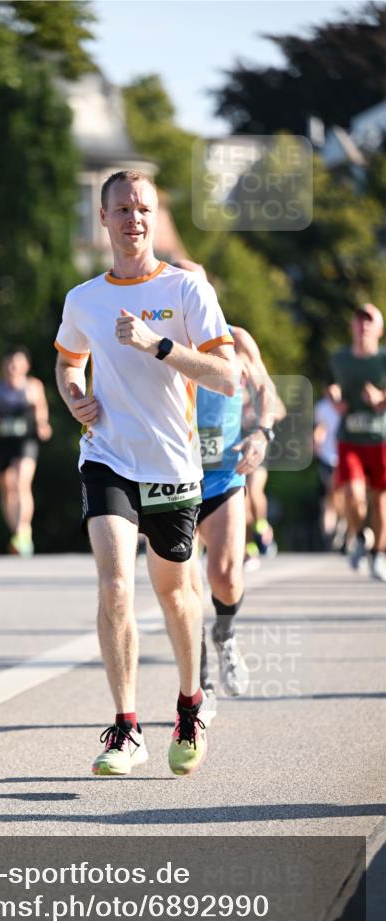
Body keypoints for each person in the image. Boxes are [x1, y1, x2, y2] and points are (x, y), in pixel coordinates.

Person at [55, 170, 236, 778]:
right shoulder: (84, 299)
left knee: (176, 593)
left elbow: (227, 377)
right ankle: (127, 727)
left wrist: (160, 346)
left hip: (172, 463)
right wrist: (74, 395)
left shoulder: (186, 291)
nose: (133, 217)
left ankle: (189, 703)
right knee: (113, 583)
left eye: (143, 208)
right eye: (122, 208)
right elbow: (68, 362)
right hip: (107, 454)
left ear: (153, 217)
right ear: (102, 218)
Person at [173, 261, 283, 702]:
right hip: (174, 477)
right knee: (185, 585)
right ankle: (198, 672)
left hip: (223, 475)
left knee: (225, 576)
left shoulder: (236, 339)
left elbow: (267, 393)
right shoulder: (160, 344)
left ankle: (226, 634)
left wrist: (262, 432)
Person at [0, 347, 52, 557]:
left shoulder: (33, 386)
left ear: (26, 365)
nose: (13, 367)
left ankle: (22, 532)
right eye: (9, 362)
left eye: (17, 362)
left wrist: (42, 426)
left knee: (21, 483)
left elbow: (41, 410)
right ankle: (16, 533)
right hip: (1, 442)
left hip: (25, 441)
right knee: (7, 489)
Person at [330, 303, 386, 580]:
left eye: (369, 321)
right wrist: (335, 397)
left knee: (380, 502)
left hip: (381, 439)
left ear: (379, 329)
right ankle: (361, 537)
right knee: (352, 494)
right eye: (359, 321)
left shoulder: (383, 359)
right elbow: (334, 386)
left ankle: (377, 554)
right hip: (350, 439)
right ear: (352, 327)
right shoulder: (339, 358)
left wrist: (381, 399)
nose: (363, 326)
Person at [313, 386, 345, 550]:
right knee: (331, 492)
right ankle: (331, 532)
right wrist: (316, 441)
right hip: (327, 458)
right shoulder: (322, 407)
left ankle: (343, 524)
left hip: (345, 456)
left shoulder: (347, 404)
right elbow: (320, 428)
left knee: (339, 495)